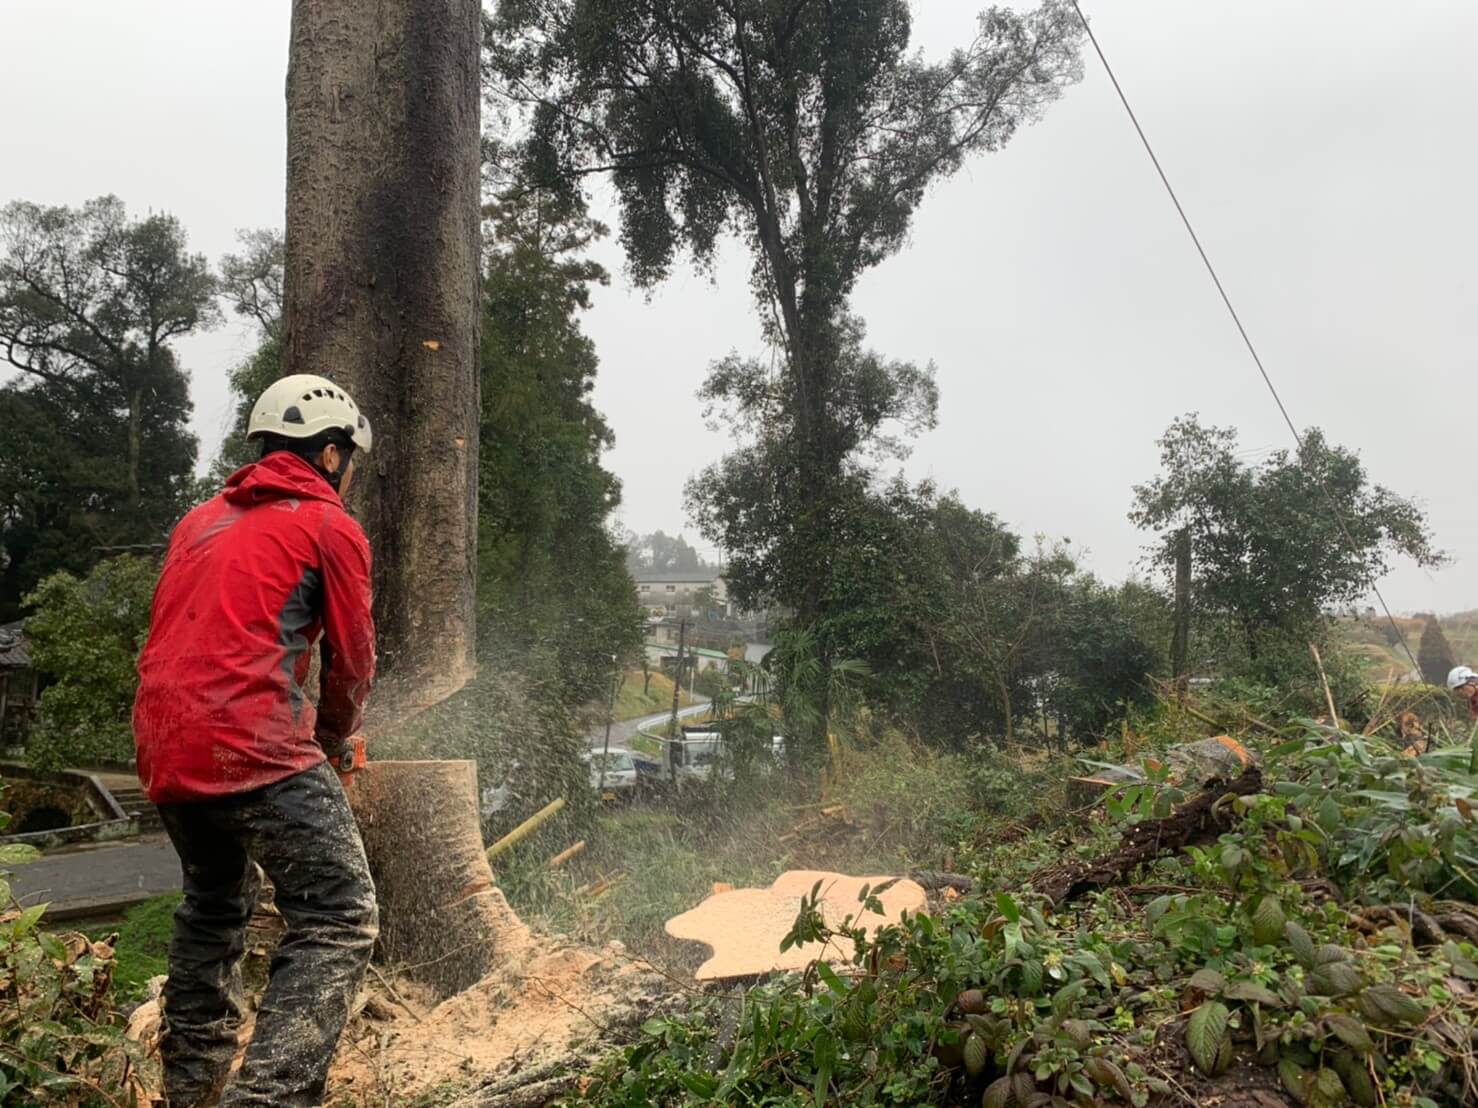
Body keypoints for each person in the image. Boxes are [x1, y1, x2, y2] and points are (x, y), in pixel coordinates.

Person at [133, 375, 379, 1107]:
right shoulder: (329, 525)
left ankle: (192, 1090)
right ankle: (269, 1098)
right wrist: (334, 737)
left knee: (213, 903)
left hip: (164, 746)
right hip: (250, 745)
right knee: (339, 914)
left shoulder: (198, 522)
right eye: (347, 461)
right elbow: (354, 656)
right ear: (330, 455)